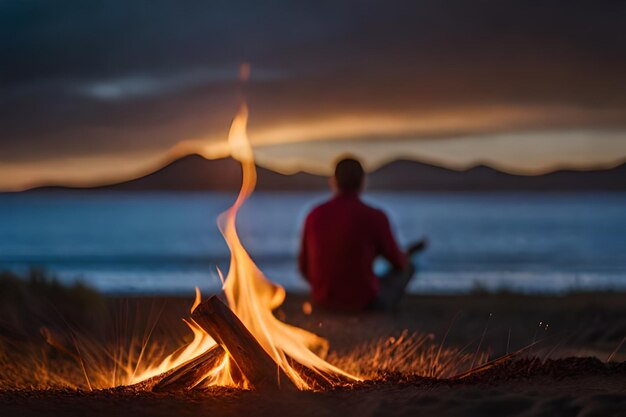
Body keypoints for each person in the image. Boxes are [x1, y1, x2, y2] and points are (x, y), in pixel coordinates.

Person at [298, 157, 427, 312]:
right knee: (408, 267)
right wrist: (406, 255)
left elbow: (304, 267)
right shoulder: (374, 216)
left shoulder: (314, 215)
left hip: (323, 301)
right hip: (364, 303)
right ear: (363, 182)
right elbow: (398, 263)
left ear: (333, 181)